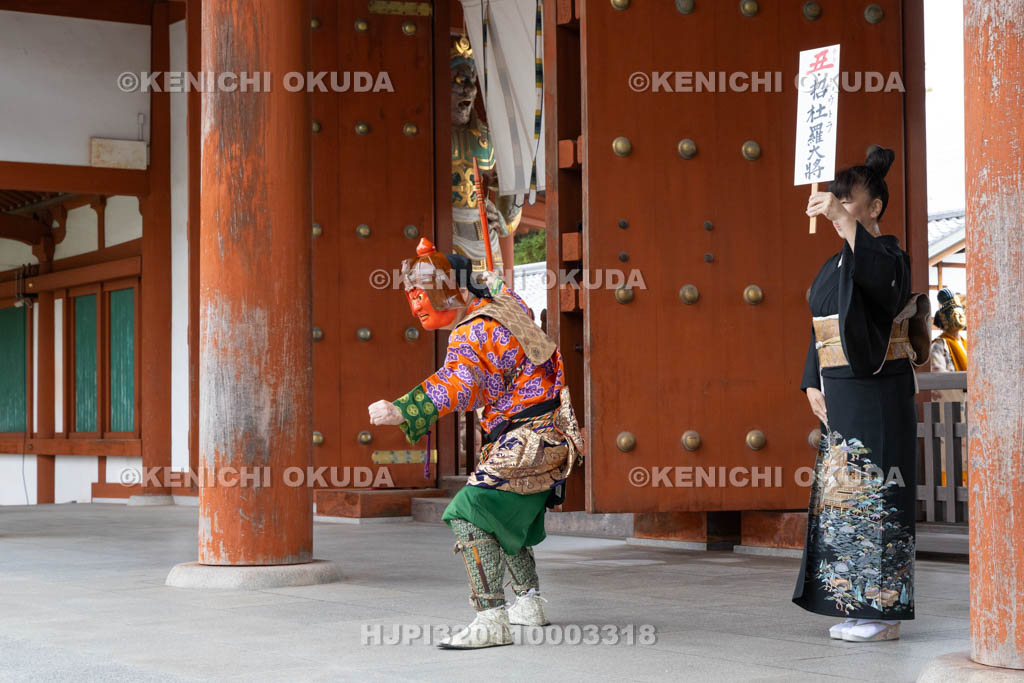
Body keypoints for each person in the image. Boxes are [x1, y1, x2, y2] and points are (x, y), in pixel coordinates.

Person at [367, 238, 583, 649]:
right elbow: (500, 289)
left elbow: (457, 382)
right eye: (412, 297)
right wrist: (482, 278)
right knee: (503, 514)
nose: (417, 306)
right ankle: (529, 602)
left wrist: (402, 410)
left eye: (422, 295)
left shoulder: (472, 330)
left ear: (454, 290)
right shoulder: (508, 307)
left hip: (527, 439)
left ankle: (490, 617)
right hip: (553, 435)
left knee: (471, 509)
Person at [794, 146, 930, 642]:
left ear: (874, 208)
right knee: (845, 497)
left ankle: (884, 611)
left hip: (877, 390)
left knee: (877, 492)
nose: (839, 206)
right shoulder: (831, 266)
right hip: (840, 391)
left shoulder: (889, 256)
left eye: (848, 201)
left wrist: (845, 226)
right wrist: (811, 379)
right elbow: (819, 329)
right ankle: (855, 604)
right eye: (837, 199)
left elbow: (882, 288)